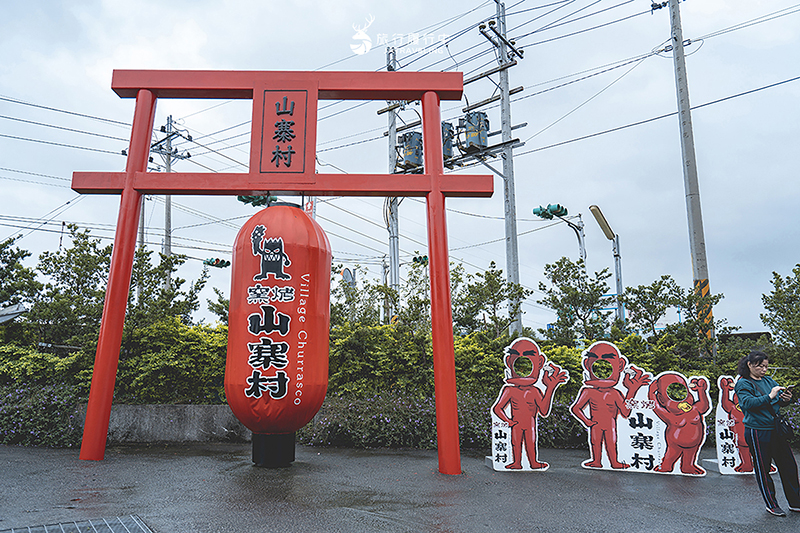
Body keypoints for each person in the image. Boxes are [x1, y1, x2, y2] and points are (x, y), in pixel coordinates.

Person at [734, 350, 800, 517]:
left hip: (775, 430)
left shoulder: (769, 380)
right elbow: (747, 404)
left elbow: (777, 403)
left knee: (789, 466)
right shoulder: (743, 383)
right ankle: (771, 504)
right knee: (763, 469)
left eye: (765, 366)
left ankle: (795, 502)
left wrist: (785, 399)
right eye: (760, 366)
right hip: (757, 431)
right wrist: (770, 396)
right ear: (749, 365)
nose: (764, 370)